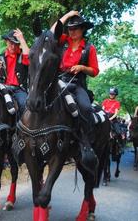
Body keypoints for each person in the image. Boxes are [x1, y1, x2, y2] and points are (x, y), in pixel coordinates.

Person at [51, 10, 99, 170]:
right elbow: (51, 31)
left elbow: (95, 71)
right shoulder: (63, 40)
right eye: (70, 28)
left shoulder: (89, 48)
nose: (72, 31)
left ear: (83, 29)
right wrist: (68, 14)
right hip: (59, 81)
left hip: (78, 83)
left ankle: (86, 143)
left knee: (85, 107)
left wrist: (83, 67)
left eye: (76, 28)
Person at [0, 29, 30, 115]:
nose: (13, 47)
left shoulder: (22, 55)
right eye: (11, 43)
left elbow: (29, 58)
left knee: (24, 104)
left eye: (16, 44)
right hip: (3, 88)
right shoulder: (0, 57)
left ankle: (21, 127)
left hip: (19, 89)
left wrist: (22, 40)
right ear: (6, 42)